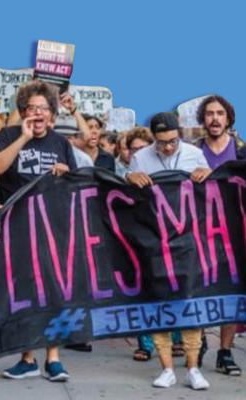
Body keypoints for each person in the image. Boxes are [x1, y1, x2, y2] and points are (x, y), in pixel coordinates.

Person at [0, 81, 76, 381]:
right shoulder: (8, 135)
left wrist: (66, 175)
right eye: (31, 108)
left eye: (43, 109)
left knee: (53, 290)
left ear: (52, 115)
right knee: (23, 292)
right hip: (17, 229)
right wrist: (23, 138)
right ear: (23, 112)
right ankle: (27, 358)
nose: (37, 113)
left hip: (52, 229)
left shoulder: (61, 144)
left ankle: (53, 358)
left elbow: (76, 187)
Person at [126, 112, 211, 390]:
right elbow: (131, 199)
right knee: (158, 302)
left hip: (189, 241)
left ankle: (194, 368)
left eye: (173, 141)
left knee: (190, 302)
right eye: (162, 143)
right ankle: (167, 369)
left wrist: (208, 174)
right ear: (153, 139)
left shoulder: (196, 153)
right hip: (156, 241)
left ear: (180, 134)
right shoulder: (141, 158)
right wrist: (130, 176)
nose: (168, 148)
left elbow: (211, 194)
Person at [194, 95, 243, 376]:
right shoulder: (191, 151)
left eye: (220, 113)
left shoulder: (241, 151)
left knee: (231, 293)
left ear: (228, 119)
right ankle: (198, 343)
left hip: (233, 232)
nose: (214, 118)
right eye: (210, 113)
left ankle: (224, 351)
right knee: (199, 290)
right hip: (199, 232)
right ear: (203, 119)